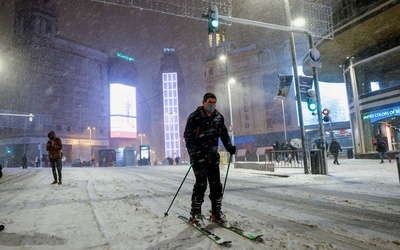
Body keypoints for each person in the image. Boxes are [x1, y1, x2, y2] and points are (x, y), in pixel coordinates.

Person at [184, 93, 236, 228]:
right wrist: (193, 152)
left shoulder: (219, 117)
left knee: (216, 185)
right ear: (203, 102)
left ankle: (216, 213)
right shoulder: (195, 116)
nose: (212, 105)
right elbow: (188, 137)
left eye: (214, 102)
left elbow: (224, 134)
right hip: (199, 156)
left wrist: (229, 147)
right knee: (201, 184)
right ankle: (195, 214)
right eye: (209, 102)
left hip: (213, 157)